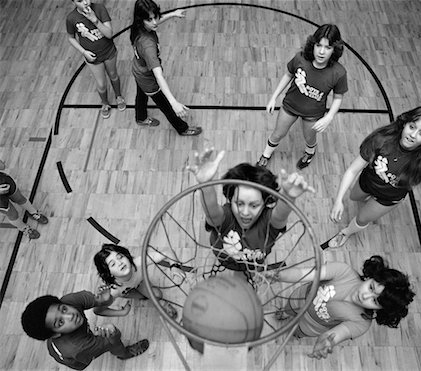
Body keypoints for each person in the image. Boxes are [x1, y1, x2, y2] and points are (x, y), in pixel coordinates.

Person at [323, 106, 421, 251]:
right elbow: (353, 170)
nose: (413, 135)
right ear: (405, 123)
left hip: (388, 198)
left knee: (362, 218)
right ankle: (366, 199)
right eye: (412, 126)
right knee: (354, 197)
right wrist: (338, 200)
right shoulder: (381, 139)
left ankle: (346, 232)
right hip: (368, 181)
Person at [187, 148, 315, 271]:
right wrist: (206, 185)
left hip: (253, 264)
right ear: (230, 199)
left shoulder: (269, 223)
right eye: (239, 203)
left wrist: (288, 196)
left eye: (254, 205)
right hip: (224, 259)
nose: (245, 212)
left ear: (265, 202)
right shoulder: (226, 217)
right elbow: (212, 212)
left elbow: (280, 215)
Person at [270, 255, 415, 359]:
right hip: (300, 298)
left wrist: (327, 341)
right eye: (371, 287)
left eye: (375, 302)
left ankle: (295, 334)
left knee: (297, 332)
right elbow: (303, 274)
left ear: (381, 310)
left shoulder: (361, 323)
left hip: (311, 326)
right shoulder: (343, 271)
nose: (365, 296)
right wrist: (279, 275)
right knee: (288, 309)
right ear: (372, 277)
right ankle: (285, 313)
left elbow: (337, 334)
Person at [257, 24, 347, 170]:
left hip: (313, 114)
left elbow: (338, 97)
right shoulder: (300, 58)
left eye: (328, 47)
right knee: (277, 134)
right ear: (313, 44)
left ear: (334, 50)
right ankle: (265, 155)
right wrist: (274, 97)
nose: (322, 51)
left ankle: (310, 153)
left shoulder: (339, 73)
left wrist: (329, 117)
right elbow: (288, 74)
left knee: (310, 138)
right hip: (290, 106)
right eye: (319, 45)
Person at [21, 288, 149, 370]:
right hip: (76, 358)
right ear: (54, 334)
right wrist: (113, 333)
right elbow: (112, 341)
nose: (70, 315)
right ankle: (124, 354)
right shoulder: (80, 347)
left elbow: (98, 301)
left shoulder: (69, 301)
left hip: (64, 345)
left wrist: (104, 299)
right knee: (113, 343)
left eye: (63, 309)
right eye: (60, 322)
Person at [130, 0, 202, 134]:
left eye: (155, 17)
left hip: (138, 70)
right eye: (150, 19)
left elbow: (155, 21)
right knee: (166, 106)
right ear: (142, 20)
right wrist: (174, 103)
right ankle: (182, 128)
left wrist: (173, 14)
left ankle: (140, 117)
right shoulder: (148, 46)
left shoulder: (138, 26)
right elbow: (158, 76)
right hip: (148, 78)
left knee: (141, 95)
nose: (155, 22)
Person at [66, 0, 127, 119]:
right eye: (79, 0)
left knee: (113, 75)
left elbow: (109, 34)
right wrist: (84, 52)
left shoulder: (100, 9)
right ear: (73, 2)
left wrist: (95, 20)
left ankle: (118, 96)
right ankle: (105, 103)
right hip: (92, 57)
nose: (85, 2)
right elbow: (71, 38)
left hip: (109, 52)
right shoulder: (71, 18)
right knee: (101, 84)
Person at [93, 244, 177, 318]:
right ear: (109, 273)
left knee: (157, 294)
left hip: (138, 283)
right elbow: (98, 310)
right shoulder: (114, 291)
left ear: (127, 256)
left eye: (120, 257)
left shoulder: (138, 263)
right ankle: (158, 302)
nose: (119, 263)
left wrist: (175, 266)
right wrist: (123, 312)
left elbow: (167, 252)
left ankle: (160, 303)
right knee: (151, 295)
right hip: (126, 291)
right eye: (113, 264)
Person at [0, 160, 47, 239]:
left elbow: (2, 167)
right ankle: (24, 228)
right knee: (12, 214)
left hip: (3, 181)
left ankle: (33, 212)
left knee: (19, 198)